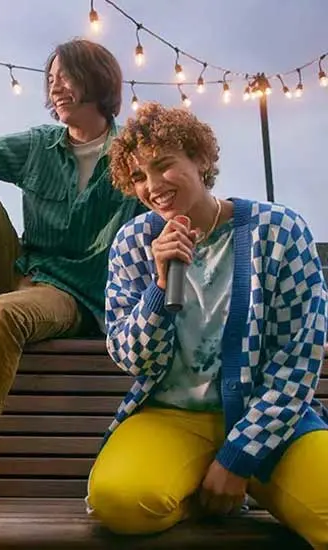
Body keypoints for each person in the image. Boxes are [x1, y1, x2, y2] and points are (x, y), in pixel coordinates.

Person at [0, 38, 146, 513]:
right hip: (22, 269)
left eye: (66, 77)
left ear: (97, 81)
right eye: (51, 79)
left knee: (4, 312)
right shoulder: (40, 144)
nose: (56, 88)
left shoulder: (131, 156)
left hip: (73, 295)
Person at [86, 102, 328, 546]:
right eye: (139, 176)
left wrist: (238, 458)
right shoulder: (132, 243)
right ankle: (198, 488)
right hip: (170, 417)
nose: (153, 186)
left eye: (163, 166)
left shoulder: (282, 231)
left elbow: (299, 358)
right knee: (117, 500)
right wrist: (159, 289)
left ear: (199, 158)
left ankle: (232, 481)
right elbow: (130, 357)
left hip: (272, 422)